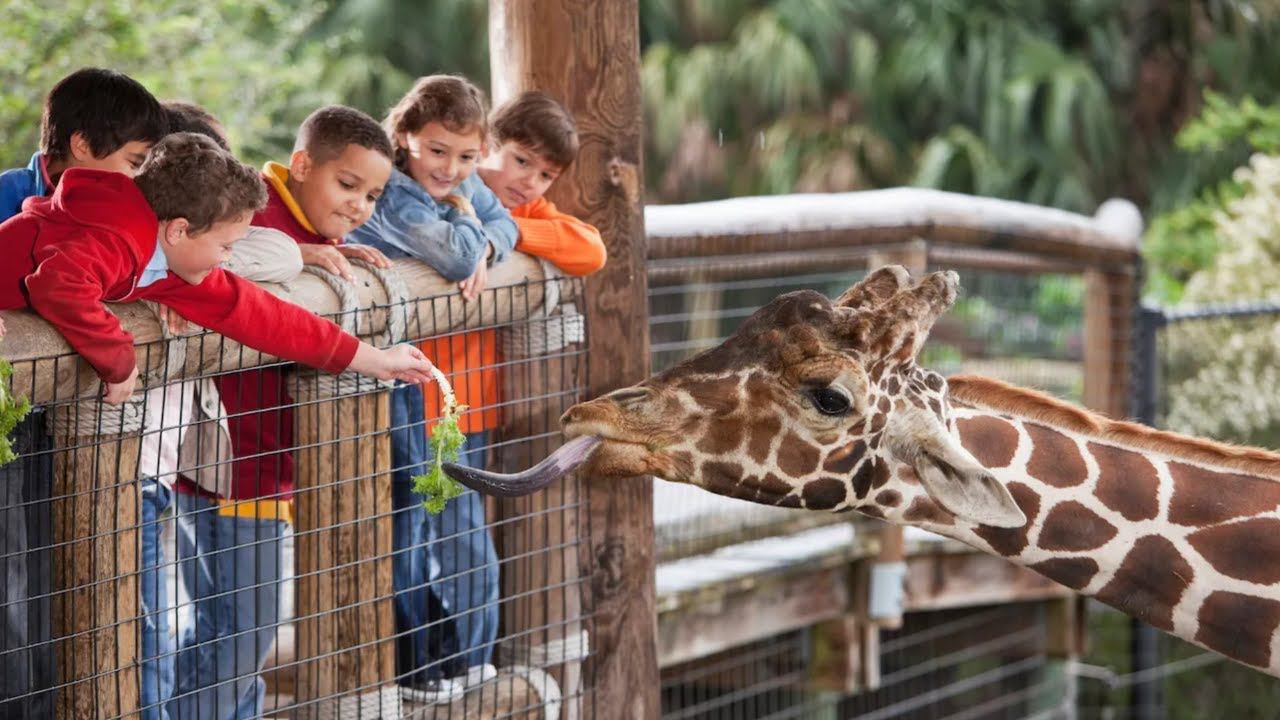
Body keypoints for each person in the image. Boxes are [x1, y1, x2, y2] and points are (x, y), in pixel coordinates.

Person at [0, 133, 436, 716]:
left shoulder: (168, 261)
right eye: (227, 245)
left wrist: (376, 360)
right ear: (180, 230)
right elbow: (56, 282)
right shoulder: (120, 236)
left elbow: (268, 318)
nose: (229, 259)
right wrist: (118, 358)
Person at [166, 105, 397, 719]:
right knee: (244, 632)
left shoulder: (314, 231)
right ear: (301, 165)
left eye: (372, 195)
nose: (359, 205)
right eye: (347, 185)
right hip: (235, 467)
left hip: (260, 464)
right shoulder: (254, 218)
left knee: (237, 634)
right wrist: (302, 254)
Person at [0, 66, 166, 720]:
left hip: (49, 416)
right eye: (134, 161)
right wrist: (119, 358)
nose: (139, 177)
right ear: (81, 145)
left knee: (44, 571)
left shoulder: (111, 206)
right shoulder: (23, 196)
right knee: (14, 575)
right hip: (16, 410)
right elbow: (59, 284)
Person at [348, 74, 517, 702]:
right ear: (405, 137)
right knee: (406, 519)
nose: (451, 169)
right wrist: (474, 228)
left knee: (428, 517)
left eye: (468, 156)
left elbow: (508, 227)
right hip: (378, 375)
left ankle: (442, 658)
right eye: (437, 151)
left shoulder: (458, 183)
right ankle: (413, 662)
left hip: (421, 379)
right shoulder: (395, 192)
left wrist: (485, 241)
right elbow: (454, 257)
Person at [477, 90, 606, 276]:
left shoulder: (528, 210)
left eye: (545, 175)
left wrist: (508, 230)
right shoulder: (451, 188)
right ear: (487, 145)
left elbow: (593, 251)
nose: (530, 182)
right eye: (522, 161)